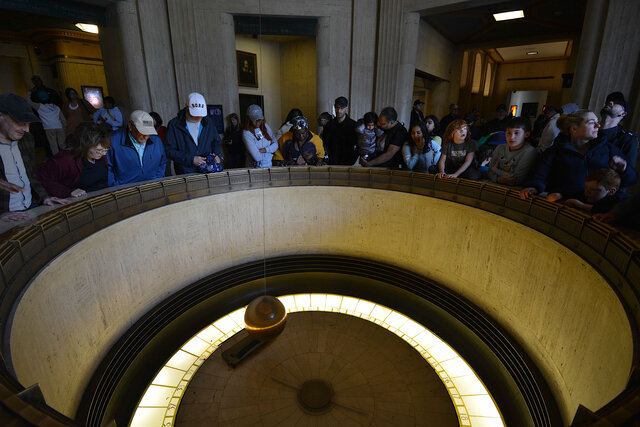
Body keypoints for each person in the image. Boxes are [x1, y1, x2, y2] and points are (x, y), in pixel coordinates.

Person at [520, 110, 636, 201]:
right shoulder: (555, 152)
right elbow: (539, 176)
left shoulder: (609, 149)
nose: (598, 126)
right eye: (592, 123)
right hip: (566, 205)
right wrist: (533, 187)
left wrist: (624, 169)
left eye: (597, 121)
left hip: (600, 209)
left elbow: (630, 180)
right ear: (574, 129)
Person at [0, 93, 68, 221]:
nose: (26, 129)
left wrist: (45, 197)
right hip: (6, 216)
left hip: (31, 206)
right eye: (20, 122)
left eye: (29, 123)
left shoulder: (27, 139)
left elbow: (31, 174)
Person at [37, 122, 110, 198]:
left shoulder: (100, 156)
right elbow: (40, 177)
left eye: (106, 149)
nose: (104, 153)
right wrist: (67, 192)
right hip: (80, 201)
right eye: (99, 150)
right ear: (85, 146)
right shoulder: (65, 159)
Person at [165, 92, 222, 175]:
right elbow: (169, 151)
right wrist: (191, 159)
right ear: (187, 106)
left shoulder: (208, 122)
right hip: (186, 172)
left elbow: (216, 141)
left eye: (201, 115)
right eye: (195, 115)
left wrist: (216, 154)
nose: (199, 117)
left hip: (208, 170)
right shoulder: (174, 125)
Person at [107, 110, 167, 186]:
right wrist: (115, 186)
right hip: (126, 190)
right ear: (130, 126)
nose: (146, 137)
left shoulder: (156, 140)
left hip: (152, 186)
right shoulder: (114, 141)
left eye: (148, 132)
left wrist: (157, 178)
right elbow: (108, 167)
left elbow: (163, 161)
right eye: (142, 132)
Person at [487, 117, 538, 186]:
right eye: (508, 133)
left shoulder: (529, 152)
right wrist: (497, 179)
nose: (511, 137)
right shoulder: (500, 148)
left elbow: (517, 180)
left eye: (516, 133)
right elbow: (489, 171)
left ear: (526, 134)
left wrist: (495, 170)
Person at [599, 92, 638, 169]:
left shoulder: (627, 139)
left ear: (623, 113)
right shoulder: (589, 128)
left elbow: (629, 173)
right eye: (609, 101)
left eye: (617, 103)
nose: (610, 102)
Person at [25, 89, 66, 156]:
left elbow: (28, 101)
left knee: (53, 146)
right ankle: (67, 157)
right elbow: (63, 119)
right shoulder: (56, 107)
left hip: (49, 128)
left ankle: (58, 160)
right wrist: (64, 127)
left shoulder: (39, 106)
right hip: (59, 127)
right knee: (63, 145)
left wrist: (29, 93)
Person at [322, 96, 357, 165]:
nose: (339, 111)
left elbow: (358, 145)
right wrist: (326, 159)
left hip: (347, 162)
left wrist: (352, 160)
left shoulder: (353, 125)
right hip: (331, 162)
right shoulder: (329, 125)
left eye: (341, 108)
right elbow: (324, 144)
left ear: (346, 108)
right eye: (337, 108)